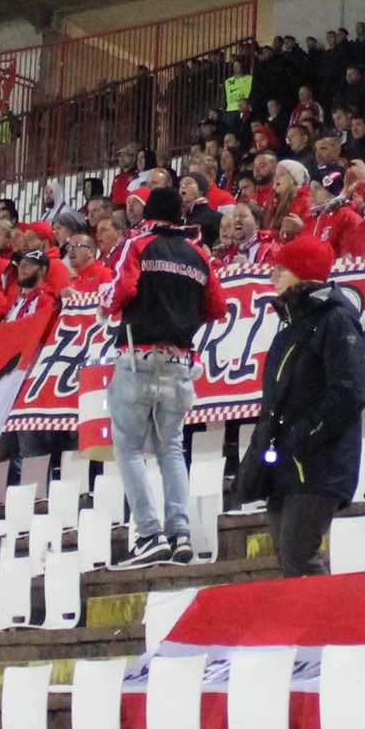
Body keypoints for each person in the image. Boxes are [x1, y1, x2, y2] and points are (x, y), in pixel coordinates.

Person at [248, 233, 363, 577]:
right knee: (289, 558)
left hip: (318, 464)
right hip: (286, 464)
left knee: (299, 555)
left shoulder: (335, 321)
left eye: (281, 268)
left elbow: (347, 392)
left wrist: (302, 435)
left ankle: (327, 614)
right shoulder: (290, 327)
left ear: (303, 273)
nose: (273, 275)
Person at [108, 187, 211, 564]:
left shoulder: (138, 244)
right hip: (180, 361)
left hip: (138, 357)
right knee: (172, 449)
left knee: (129, 449)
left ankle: (150, 534)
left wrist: (107, 307)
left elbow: (120, 291)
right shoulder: (199, 254)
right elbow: (215, 306)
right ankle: (180, 532)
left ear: (148, 213)